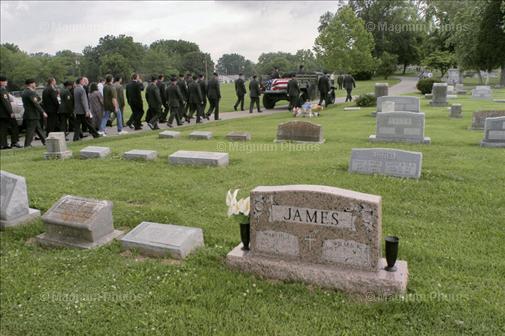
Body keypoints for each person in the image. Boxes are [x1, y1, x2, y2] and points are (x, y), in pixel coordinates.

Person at [73, 77, 100, 141]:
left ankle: (76, 137)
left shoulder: (75, 89)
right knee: (87, 123)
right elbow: (84, 101)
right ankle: (95, 134)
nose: (84, 82)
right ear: (80, 81)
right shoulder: (82, 90)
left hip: (77, 110)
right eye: (83, 81)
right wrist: (87, 110)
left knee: (77, 125)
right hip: (82, 110)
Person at [22, 79, 46, 147]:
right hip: (32, 114)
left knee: (38, 129)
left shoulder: (25, 91)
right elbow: (36, 103)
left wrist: (34, 91)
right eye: (34, 83)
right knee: (30, 130)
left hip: (30, 114)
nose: (35, 84)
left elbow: (38, 99)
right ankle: (27, 145)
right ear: (30, 84)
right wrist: (43, 112)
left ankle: (45, 141)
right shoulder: (30, 92)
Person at [0, 75, 21, 149]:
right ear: (1, 82)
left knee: (3, 129)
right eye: (5, 81)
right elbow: (6, 102)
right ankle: (14, 142)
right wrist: (11, 112)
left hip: (2, 113)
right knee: (14, 126)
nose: (6, 82)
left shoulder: (3, 89)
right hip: (5, 113)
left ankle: (3, 144)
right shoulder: (2, 90)